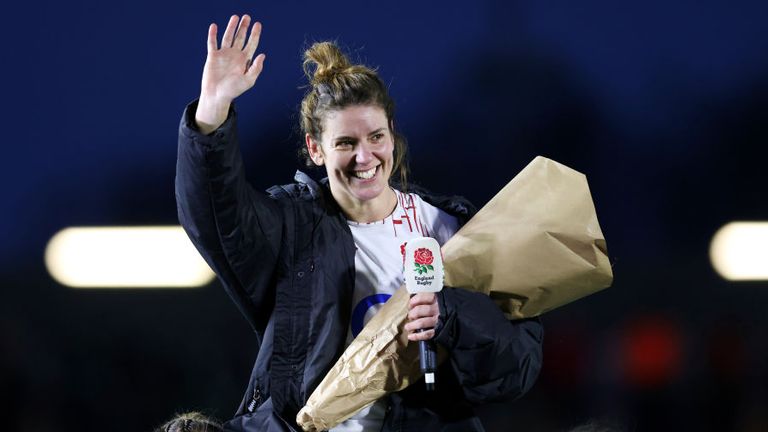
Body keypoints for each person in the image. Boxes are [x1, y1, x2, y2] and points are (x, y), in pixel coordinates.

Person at [175, 13, 544, 432]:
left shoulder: (451, 231)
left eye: (376, 138)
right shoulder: (290, 229)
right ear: (316, 150)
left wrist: (453, 317)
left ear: (393, 138)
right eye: (345, 143)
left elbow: (518, 368)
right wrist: (212, 110)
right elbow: (216, 216)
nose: (364, 157)